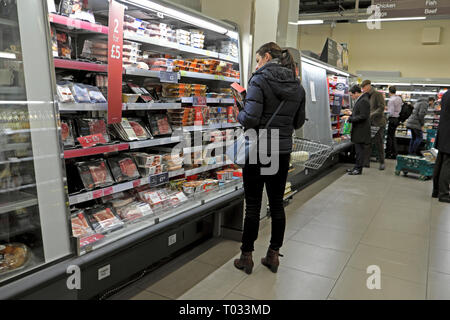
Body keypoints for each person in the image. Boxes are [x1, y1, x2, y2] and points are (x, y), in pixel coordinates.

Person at [234, 42, 306, 274]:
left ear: (266, 57)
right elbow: (298, 122)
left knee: (253, 205)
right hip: (282, 150)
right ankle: (273, 255)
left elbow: (251, 119)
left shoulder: (258, 80)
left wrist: (239, 110)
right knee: (277, 204)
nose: (257, 64)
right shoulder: (298, 86)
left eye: (257, 60)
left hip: (258, 150)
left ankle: (247, 256)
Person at [342, 85, 371, 175]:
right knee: (358, 150)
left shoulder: (363, 101)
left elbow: (363, 116)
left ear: (357, 93)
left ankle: (358, 169)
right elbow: (360, 113)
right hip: (359, 129)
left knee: (359, 151)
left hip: (361, 130)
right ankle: (356, 167)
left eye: (352, 95)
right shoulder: (361, 100)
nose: (351, 97)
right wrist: (352, 113)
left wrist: (349, 118)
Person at [361, 80, 386, 170]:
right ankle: (366, 162)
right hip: (369, 123)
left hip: (378, 122)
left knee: (379, 143)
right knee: (367, 143)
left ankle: (382, 162)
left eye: (364, 88)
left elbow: (382, 107)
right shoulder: (366, 96)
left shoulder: (377, 94)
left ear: (368, 86)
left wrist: (372, 114)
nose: (363, 90)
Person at [432, 91, 450, 203]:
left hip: (443, 131)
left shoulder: (447, 93)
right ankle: (444, 194)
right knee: (448, 164)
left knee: (440, 160)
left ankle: (436, 191)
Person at [385, 86, 403, 159]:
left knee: (390, 137)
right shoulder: (399, 98)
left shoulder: (391, 100)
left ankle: (389, 153)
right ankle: (394, 153)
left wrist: (386, 113)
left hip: (392, 119)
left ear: (389, 92)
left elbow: (391, 112)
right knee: (393, 136)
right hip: (397, 119)